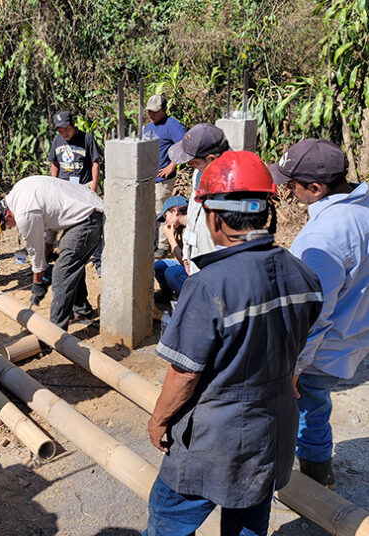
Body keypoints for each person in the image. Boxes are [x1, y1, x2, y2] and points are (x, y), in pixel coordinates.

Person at [144, 151, 323, 536]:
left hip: (214, 440)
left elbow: (185, 374)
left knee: (168, 519)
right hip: (272, 433)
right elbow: (298, 346)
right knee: (248, 521)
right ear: (267, 212)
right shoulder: (303, 275)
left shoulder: (208, 285)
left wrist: (158, 420)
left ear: (214, 218)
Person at [270, 138, 369, 489]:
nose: (288, 191)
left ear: (315, 188)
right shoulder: (362, 205)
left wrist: (293, 368)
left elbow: (311, 316)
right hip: (355, 330)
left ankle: (315, 481)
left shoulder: (322, 238)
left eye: (292, 185)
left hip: (325, 347)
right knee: (315, 405)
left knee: (307, 409)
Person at [0, 175, 103, 329]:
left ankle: (55, 332)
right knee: (70, 261)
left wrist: (37, 282)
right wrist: (48, 246)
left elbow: (36, 255)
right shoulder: (19, 190)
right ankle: (82, 311)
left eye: (5, 226)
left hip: (87, 215)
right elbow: (49, 214)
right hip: (83, 208)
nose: (9, 228)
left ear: (7, 215)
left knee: (61, 273)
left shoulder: (24, 214)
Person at [168, 123, 230, 274]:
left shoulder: (231, 185)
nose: (190, 165)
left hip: (213, 262)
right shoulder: (199, 173)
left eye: (194, 161)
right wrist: (187, 253)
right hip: (196, 253)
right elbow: (194, 217)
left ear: (211, 159)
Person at [143, 95, 186, 257]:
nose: (151, 115)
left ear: (164, 110)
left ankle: (162, 245)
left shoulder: (173, 126)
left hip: (163, 178)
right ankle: (151, 242)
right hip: (148, 178)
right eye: (149, 111)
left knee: (160, 210)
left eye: (155, 112)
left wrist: (172, 165)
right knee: (149, 211)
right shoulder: (148, 127)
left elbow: (184, 147)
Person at [47, 110, 103, 193]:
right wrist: (54, 185)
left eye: (67, 129)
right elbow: (55, 164)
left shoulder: (87, 138)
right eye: (60, 131)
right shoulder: (57, 140)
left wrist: (94, 187)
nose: (64, 133)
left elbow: (95, 163)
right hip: (63, 187)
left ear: (73, 124)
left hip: (84, 186)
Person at [153, 196, 188, 303]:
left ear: (175, 211)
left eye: (166, 215)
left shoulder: (192, 228)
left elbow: (186, 264)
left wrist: (170, 238)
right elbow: (180, 259)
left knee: (172, 273)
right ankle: (167, 296)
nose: (166, 221)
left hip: (199, 272)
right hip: (190, 266)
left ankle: (187, 302)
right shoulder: (181, 228)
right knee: (159, 265)